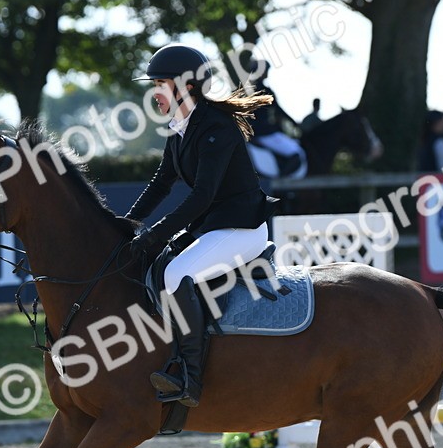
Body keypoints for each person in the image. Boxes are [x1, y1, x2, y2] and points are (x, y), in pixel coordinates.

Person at [125, 43, 278, 407]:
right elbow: (162, 182)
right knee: (157, 265)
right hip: (215, 227)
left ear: (186, 86)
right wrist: (127, 221)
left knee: (176, 275)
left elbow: (201, 197)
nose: (154, 93)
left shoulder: (216, 126)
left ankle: (190, 377)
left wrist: (156, 234)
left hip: (242, 228)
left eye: (159, 84)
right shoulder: (180, 126)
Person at [244, 59, 307, 178]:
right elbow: (279, 111)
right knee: (296, 154)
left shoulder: (245, 90)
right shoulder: (264, 90)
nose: (267, 73)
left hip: (250, 133)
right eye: (266, 70)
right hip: (265, 133)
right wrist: (295, 124)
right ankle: (282, 181)